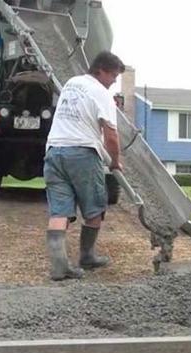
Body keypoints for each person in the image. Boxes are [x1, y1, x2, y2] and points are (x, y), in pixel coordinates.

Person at [43, 51, 125, 281]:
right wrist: (116, 162)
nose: (114, 82)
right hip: (82, 153)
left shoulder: (72, 83)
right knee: (95, 208)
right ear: (101, 71)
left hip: (54, 152)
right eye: (113, 76)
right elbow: (111, 136)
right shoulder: (101, 93)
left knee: (59, 211)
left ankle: (60, 266)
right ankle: (87, 256)